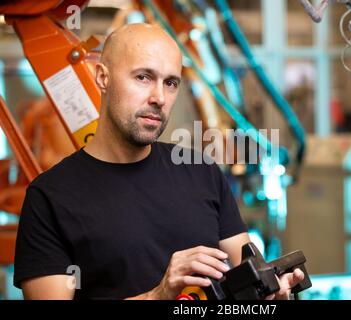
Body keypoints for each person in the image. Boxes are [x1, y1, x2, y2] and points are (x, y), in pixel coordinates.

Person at [13, 23, 304, 300]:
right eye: (143, 77)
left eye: (171, 83)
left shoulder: (201, 172)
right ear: (103, 77)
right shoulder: (49, 197)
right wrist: (159, 294)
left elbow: (250, 275)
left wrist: (272, 291)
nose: (159, 98)